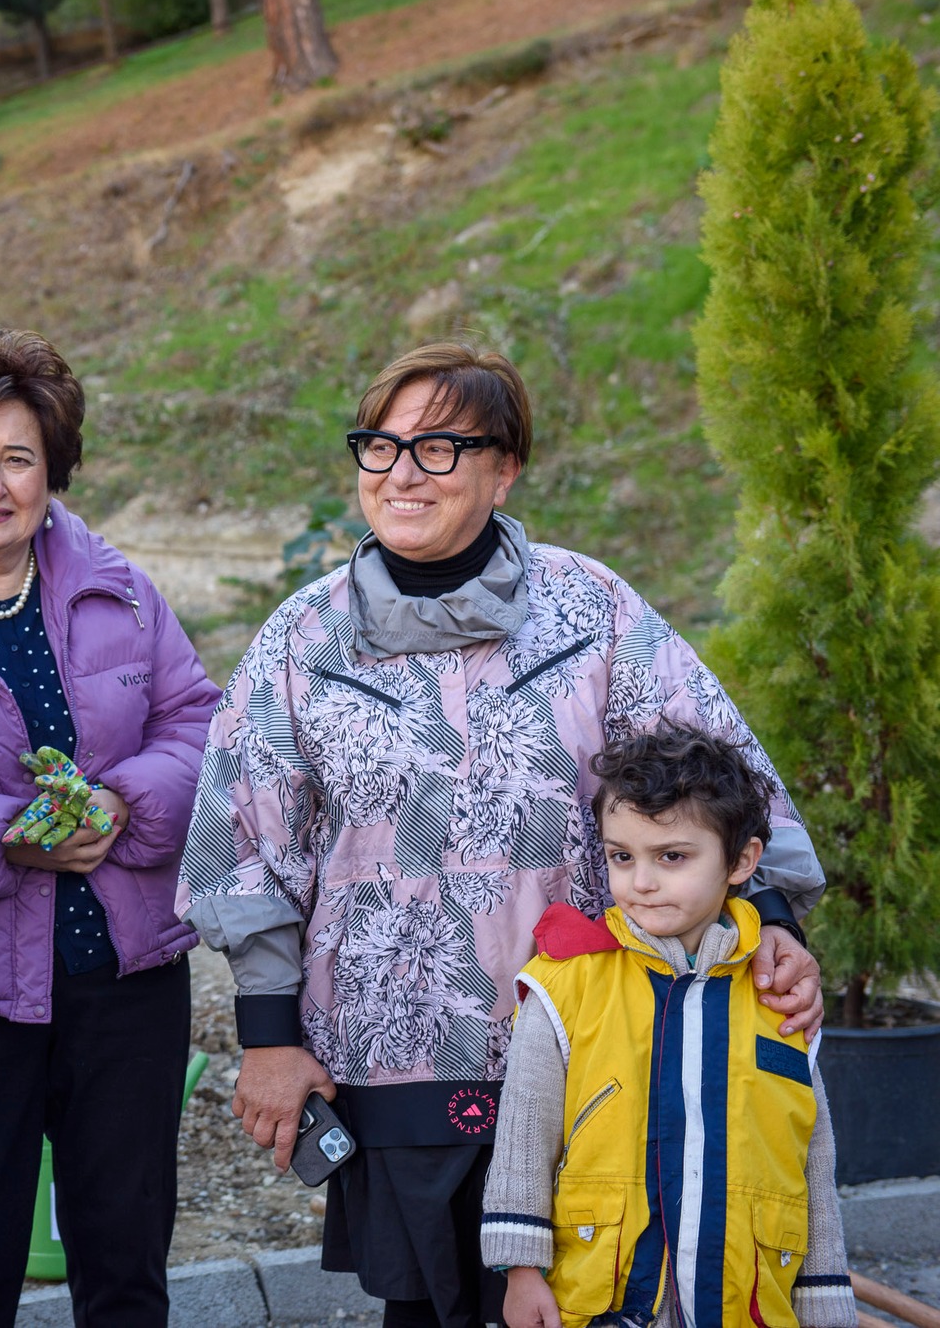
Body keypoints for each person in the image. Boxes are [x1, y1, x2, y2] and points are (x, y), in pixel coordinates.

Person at [177, 341, 828, 1328]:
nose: (402, 473)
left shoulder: (589, 609)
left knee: (591, 1297)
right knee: (428, 1309)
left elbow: (716, 773)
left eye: (438, 448)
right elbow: (242, 842)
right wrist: (267, 1038)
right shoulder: (304, 638)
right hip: (389, 1052)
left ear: (504, 468)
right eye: (381, 445)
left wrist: (768, 914)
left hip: (592, 1036)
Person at [0, 329, 220, 1328]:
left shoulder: (119, 589)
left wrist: (124, 801)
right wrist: (7, 835)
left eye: (18, 457)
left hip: (125, 980)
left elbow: (198, 722)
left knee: (126, 1265)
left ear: (52, 470)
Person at [483, 723, 857, 1328]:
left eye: (672, 857)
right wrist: (520, 1269)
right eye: (621, 856)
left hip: (747, 1303)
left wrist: (827, 1303)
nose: (641, 882)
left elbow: (813, 1156)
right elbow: (524, 1137)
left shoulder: (780, 997)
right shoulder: (564, 983)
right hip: (604, 1300)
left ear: (741, 861)